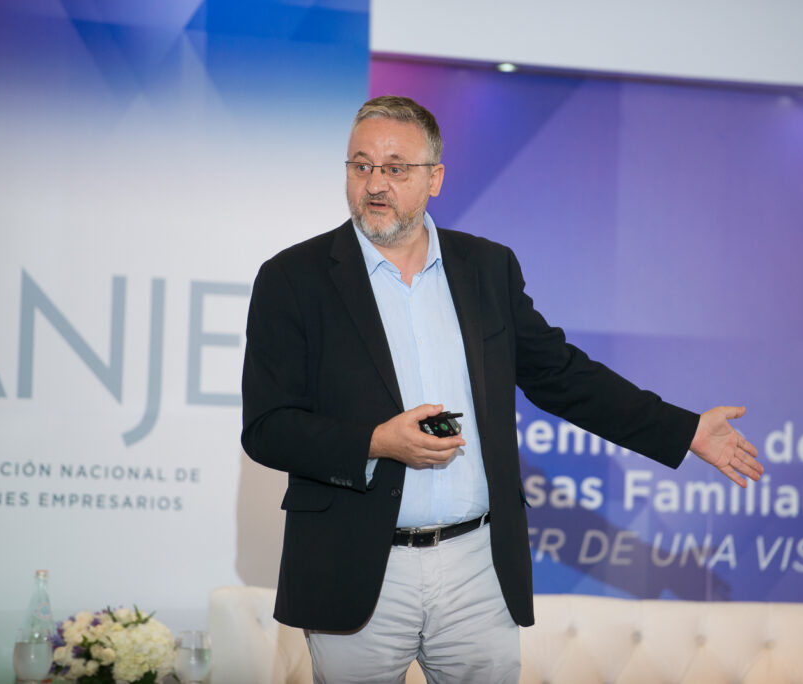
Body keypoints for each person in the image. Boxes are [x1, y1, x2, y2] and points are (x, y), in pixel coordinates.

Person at [241, 95, 763, 683]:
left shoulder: (487, 269)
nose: (375, 183)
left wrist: (684, 428)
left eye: (395, 167)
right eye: (360, 166)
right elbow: (268, 428)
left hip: (476, 570)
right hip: (355, 570)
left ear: (434, 178)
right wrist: (375, 441)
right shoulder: (293, 278)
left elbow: (561, 375)